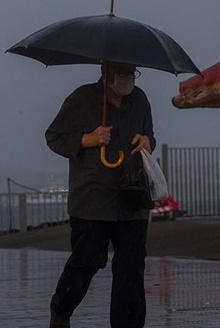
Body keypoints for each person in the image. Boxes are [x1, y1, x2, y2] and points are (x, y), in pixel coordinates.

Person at [45, 62, 154, 328]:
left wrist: (147, 140)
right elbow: (54, 137)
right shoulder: (81, 98)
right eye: (122, 73)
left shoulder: (139, 100)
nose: (128, 79)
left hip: (132, 199)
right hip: (92, 202)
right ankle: (61, 308)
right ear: (105, 73)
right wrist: (87, 140)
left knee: (131, 270)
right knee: (86, 262)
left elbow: (149, 133)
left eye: (132, 73)